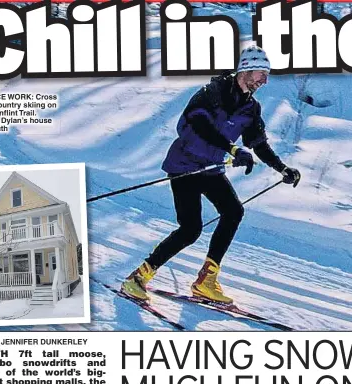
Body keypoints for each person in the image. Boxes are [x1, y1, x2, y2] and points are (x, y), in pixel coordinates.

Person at [121, 44, 301, 304]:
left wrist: (282, 168)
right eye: (262, 73)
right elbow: (199, 124)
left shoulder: (252, 108)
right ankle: (138, 277)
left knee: (234, 211)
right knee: (190, 229)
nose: (265, 80)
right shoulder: (212, 92)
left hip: (211, 168)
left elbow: (258, 144)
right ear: (247, 69)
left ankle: (206, 280)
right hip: (185, 165)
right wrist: (231, 148)